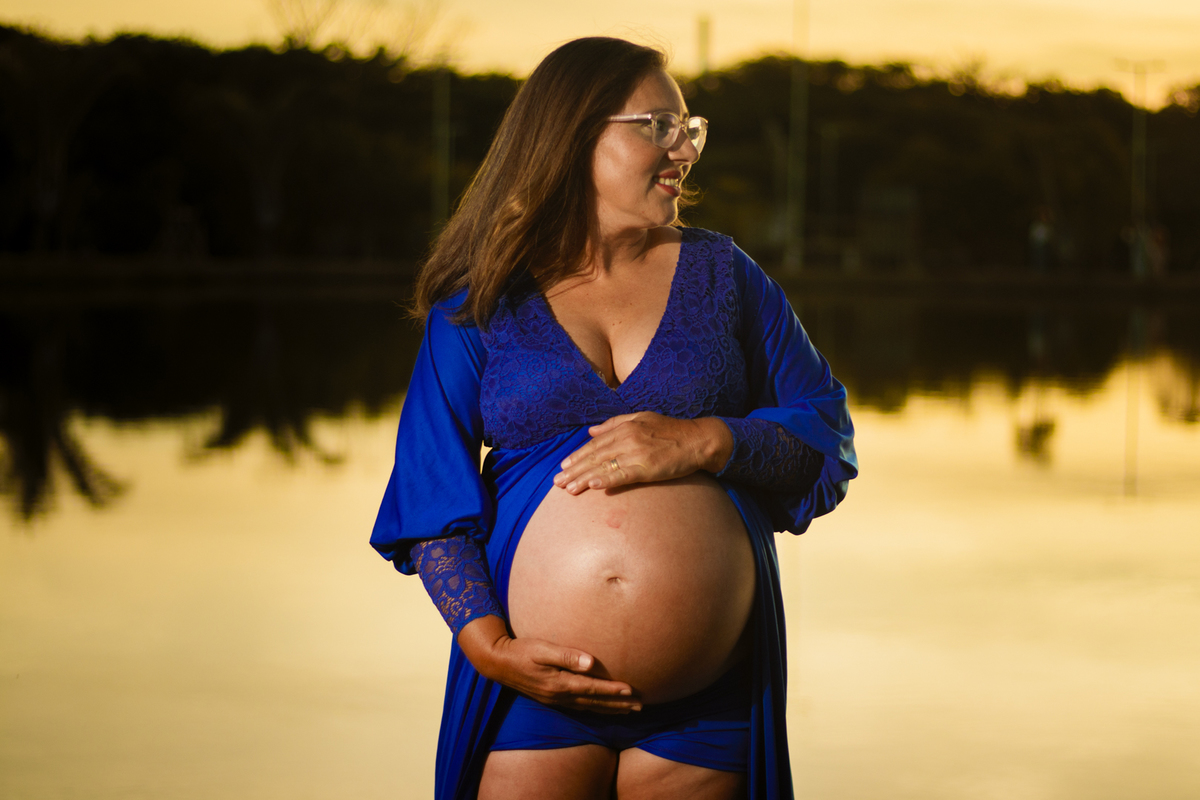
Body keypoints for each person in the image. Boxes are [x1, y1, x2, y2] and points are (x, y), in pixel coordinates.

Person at [370, 37, 857, 800]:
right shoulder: (481, 301)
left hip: (708, 709)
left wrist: (706, 440)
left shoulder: (727, 277)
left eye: (689, 129)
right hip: (530, 697)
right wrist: (490, 649)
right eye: (659, 127)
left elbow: (825, 439)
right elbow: (431, 499)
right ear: (574, 136)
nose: (683, 151)